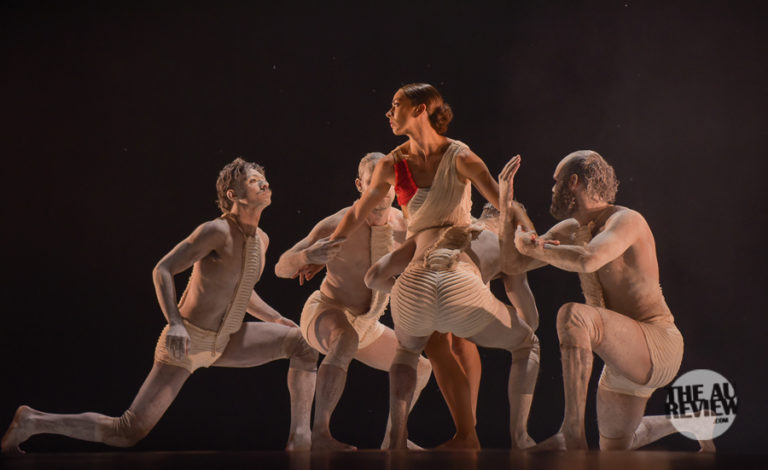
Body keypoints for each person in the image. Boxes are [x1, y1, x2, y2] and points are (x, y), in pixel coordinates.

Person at [1, 158, 318, 454]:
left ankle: (300, 439)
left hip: (226, 340)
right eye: (253, 181)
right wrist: (175, 323)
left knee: (302, 344)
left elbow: (240, 290)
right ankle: (33, 421)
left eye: (263, 180)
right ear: (233, 194)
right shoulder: (216, 231)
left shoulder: (261, 239)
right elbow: (163, 269)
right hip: (188, 342)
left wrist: (276, 318)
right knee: (128, 431)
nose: (264, 184)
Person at [302, 82, 537, 450]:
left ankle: (417, 437)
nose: (388, 112)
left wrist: (530, 233)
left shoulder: (460, 157)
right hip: (438, 259)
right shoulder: (393, 163)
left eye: (395, 104)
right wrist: (328, 247)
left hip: (432, 262)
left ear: (420, 109)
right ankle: (482, 436)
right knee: (466, 341)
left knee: (421, 346)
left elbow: (505, 206)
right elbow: (358, 212)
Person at [503, 150, 714, 451]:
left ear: (573, 182)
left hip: (657, 343)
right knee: (616, 448)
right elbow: (512, 265)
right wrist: (505, 206)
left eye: (556, 181)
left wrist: (534, 247)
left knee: (573, 316)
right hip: (621, 357)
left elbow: (589, 259)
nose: (552, 189)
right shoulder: (571, 230)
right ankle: (690, 421)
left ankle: (571, 431)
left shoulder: (626, 220)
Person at [274, 152, 432, 451]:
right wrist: (307, 255)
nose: (382, 189)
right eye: (374, 182)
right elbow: (281, 267)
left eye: (388, 181)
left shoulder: (404, 226)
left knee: (420, 367)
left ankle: (393, 440)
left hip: (367, 324)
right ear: (360, 185)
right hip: (327, 311)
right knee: (345, 338)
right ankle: (320, 433)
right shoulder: (338, 224)